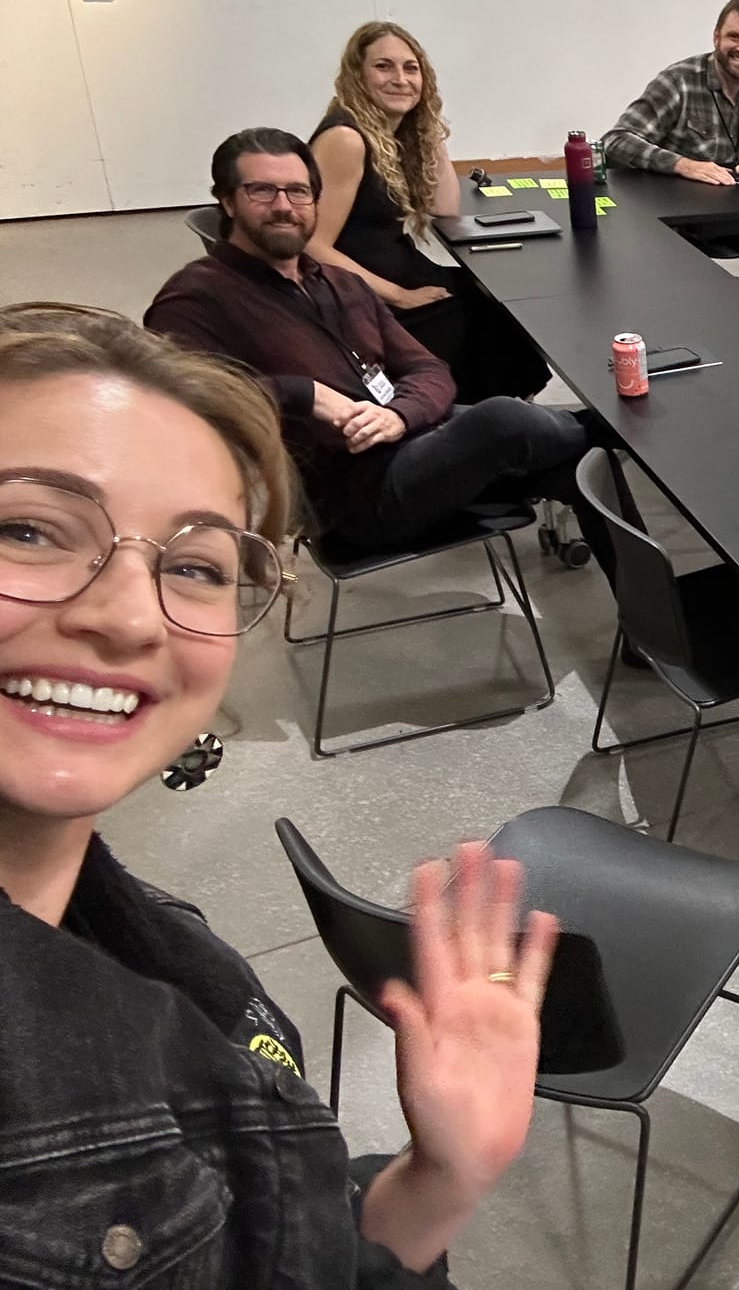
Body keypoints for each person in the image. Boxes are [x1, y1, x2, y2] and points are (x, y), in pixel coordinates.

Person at [0, 303, 559, 1283]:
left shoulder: (142, 940)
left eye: (193, 565)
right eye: (33, 529)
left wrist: (440, 1179)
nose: (131, 617)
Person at [147, 128, 618, 584]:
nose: (284, 207)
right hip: (355, 500)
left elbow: (427, 368)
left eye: (298, 191)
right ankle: (611, 430)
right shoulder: (198, 297)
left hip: (413, 444)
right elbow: (177, 401)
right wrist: (304, 393)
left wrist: (399, 415)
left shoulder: (338, 282)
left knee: (579, 460)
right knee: (507, 420)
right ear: (227, 201)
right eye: (262, 191)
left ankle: (651, 628)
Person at [308, 21, 551, 402]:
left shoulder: (389, 133)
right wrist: (399, 296)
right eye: (383, 66)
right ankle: (484, 419)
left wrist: (428, 126)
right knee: (480, 319)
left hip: (396, 270)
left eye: (411, 68)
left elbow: (444, 207)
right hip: (359, 294)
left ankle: (509, 417)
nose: (400, 79)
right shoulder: (346, 139)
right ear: (357, 75)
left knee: (499, 301)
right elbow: (312, 245)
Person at [603, 0, 739, 306]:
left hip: (732, 212)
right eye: (734, 37)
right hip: (678, 221)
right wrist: (682, 164)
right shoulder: (679, 81)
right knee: (684, 300)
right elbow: (617, 141)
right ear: (716, 36)